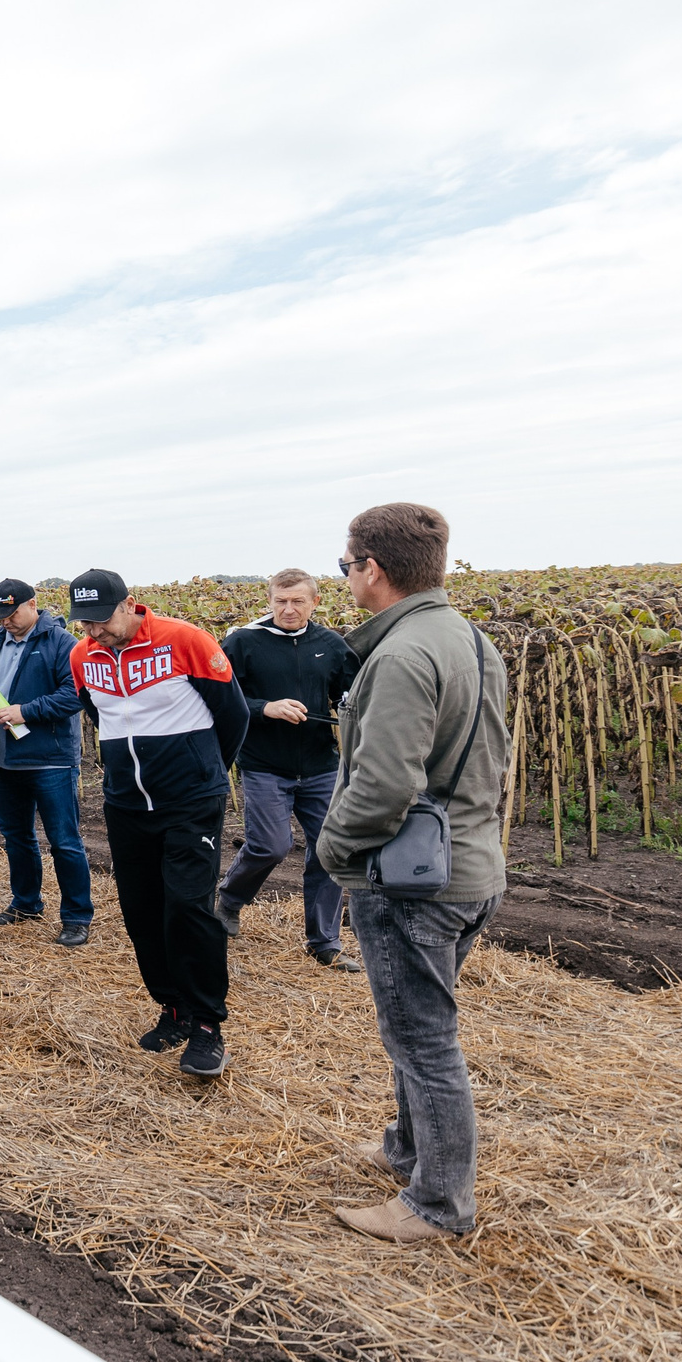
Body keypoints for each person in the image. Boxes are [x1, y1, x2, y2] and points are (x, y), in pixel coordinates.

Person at [317, 505, 509, 1243]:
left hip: (411, 880)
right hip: (469, 864)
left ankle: (437, 1204)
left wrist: (335, 852)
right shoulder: (468, 638)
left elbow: (383, 785)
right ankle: (405, 1148)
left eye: (346, 565)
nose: (347, 577)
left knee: (423, 1039)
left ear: (373, 568)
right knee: (414, 1028)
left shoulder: (399, 655)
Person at [68, 568, 250, 1079]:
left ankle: (208, 1025)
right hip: (126, 805)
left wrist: (205, 772)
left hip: (190, 801)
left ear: (130, 605)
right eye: (84, 623)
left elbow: (232, 715)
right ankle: (173, 1008)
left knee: (188, 907)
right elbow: (98, 716)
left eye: (101, 620)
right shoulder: (83, 657)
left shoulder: (185, 640)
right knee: (142, 910)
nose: (94, 631)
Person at [218, 568, 364, 968]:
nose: (288, 609)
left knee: (329, 850)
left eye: (298, 601)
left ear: (314, 602)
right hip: (264, 764)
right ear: (269, 602)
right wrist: (265, 707)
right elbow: (221, 697)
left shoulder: (331, 645)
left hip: (320, 766)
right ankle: (230, 898)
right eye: (280, 601)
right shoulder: (243, 642)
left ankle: (324, 942)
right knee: (271, 846)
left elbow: (351, 695)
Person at [0, 580, 93, 946]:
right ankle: (26, 903)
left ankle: (76, 916)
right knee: (17, 837)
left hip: (50, 760)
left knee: (64, 841)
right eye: (0, 615)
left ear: (33, 604)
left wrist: (26, 711)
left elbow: (75, 695)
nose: (5, 621)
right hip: (4, 760)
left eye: (12, 613)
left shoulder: (62, 643)